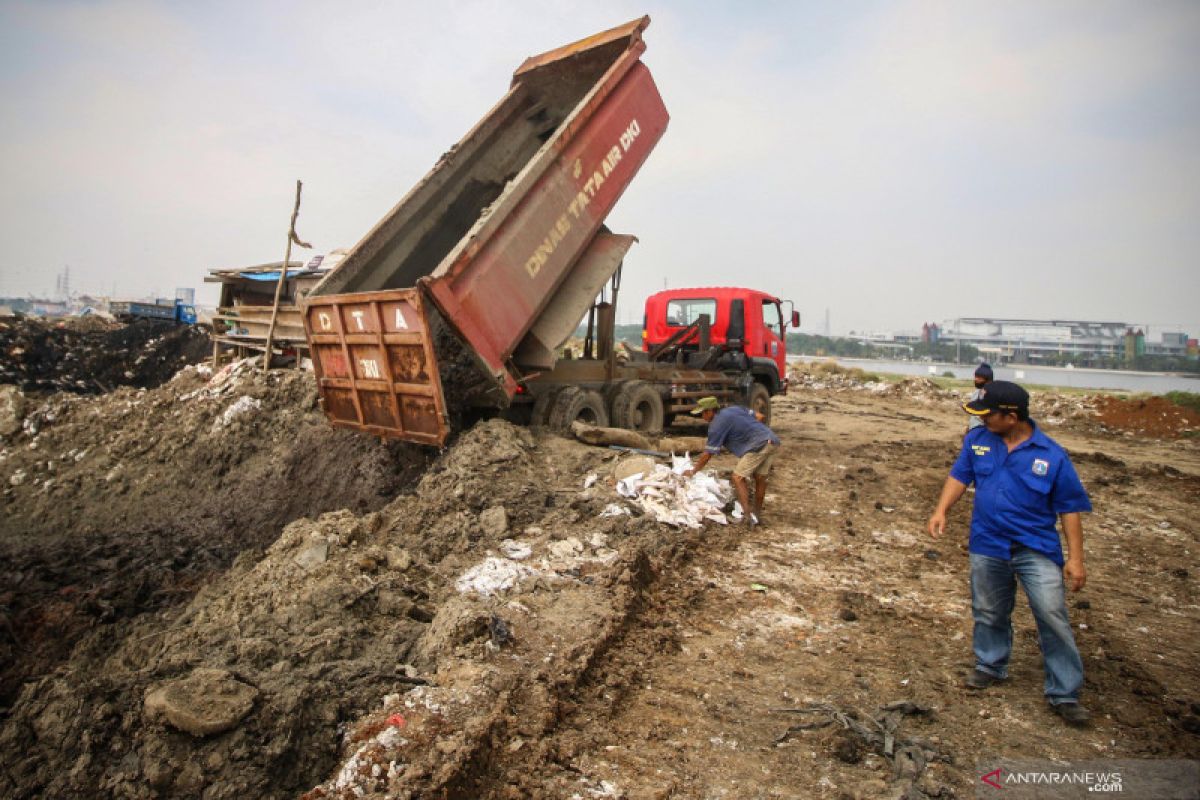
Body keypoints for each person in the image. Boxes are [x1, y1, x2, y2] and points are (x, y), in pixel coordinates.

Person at [926, 380, 1093, 726]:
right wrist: (941, 510)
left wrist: (1076, 559)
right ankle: (991, 664)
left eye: (990, 415)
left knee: (1051, 614)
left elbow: (1070, 510)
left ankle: (1064, 692)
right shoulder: (978, 441)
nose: (983, 420)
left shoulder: (1051, 455)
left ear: (1012, 416)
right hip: (988, 543)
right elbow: (960, 476)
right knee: (988, 609)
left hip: (1036, 549)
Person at [682, 396, 780, 527]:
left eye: (703, 413)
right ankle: (756, 516)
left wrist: (693, 471)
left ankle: (747, 516)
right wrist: (749, 431)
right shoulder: (734, 409)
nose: (702, 417)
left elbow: (707, 454)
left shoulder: (716, 426)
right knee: (760, 478)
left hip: (758, 445)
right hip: (771, 440)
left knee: (737, 477)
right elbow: (760, 417)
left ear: (710, 411)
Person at [966, 363, 994, 431]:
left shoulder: (992, 395)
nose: (976, 379)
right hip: (972, 428)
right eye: (975, 377)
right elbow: (973, 415)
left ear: (988, 380)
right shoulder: (976, 393)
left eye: (979, 378)